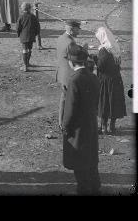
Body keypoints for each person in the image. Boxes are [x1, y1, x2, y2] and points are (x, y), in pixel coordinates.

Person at [61, 44, 101, 195]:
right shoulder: (93, 77)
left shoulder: (75, 80)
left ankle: (84, 190)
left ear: (71, 62)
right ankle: (96, 187)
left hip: (77, 129)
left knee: (79, 163)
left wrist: (65, 127)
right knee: (91, 160)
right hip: (91, 124)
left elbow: (70, 109)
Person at [94, 26, 126, 134]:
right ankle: (112, 126)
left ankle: (104, 127)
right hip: (116, 80)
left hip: (106, 81)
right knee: (114, 104)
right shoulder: (115, 47)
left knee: (104, 104)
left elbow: (101, 66)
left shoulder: (104, 50)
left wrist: (94, 58)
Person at [56, 19, 81, 128]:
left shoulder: (61, 38)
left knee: (64, 98)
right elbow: (76, 60)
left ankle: (61, 122)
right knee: (69, 100)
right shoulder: (70, 43)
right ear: (71, 29)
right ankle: (65, 123)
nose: (79, 31)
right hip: (69, 76)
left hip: (62, 73)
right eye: (77, 29)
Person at [16, 2, 40, 72]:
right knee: (29, 49)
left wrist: (19, 34)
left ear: (22, 9)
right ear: (30, 8)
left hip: (24, 36)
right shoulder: (33, 17)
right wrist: (35, 34)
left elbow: (18, 28)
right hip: (32, 36)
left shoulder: (21, 17)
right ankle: (28, 63)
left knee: (25, 50)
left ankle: (25, 66)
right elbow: (38, 27)